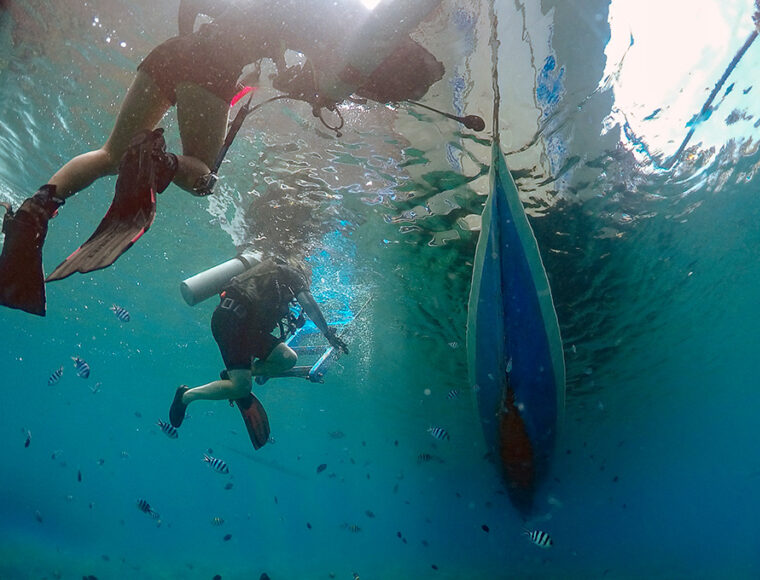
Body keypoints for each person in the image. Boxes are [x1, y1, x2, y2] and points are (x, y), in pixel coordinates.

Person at [0, 0, 444, 315]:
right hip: (211, 69)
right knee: (202, 177)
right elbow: (316, 78)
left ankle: (36, 209)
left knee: (111, 153)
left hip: (173, 50)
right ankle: (160, 163)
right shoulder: (330, 23)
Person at [169, 255, 348, 449]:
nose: (309, 282)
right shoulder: (293, 273)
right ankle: (186, 396)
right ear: (303, 269)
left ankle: (238, 375)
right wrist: (327, 333)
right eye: (309, 277)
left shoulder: (272, 279)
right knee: (241, 388)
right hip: (231, 322)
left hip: (245, 327)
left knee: (287, 358)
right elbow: (308, 302)